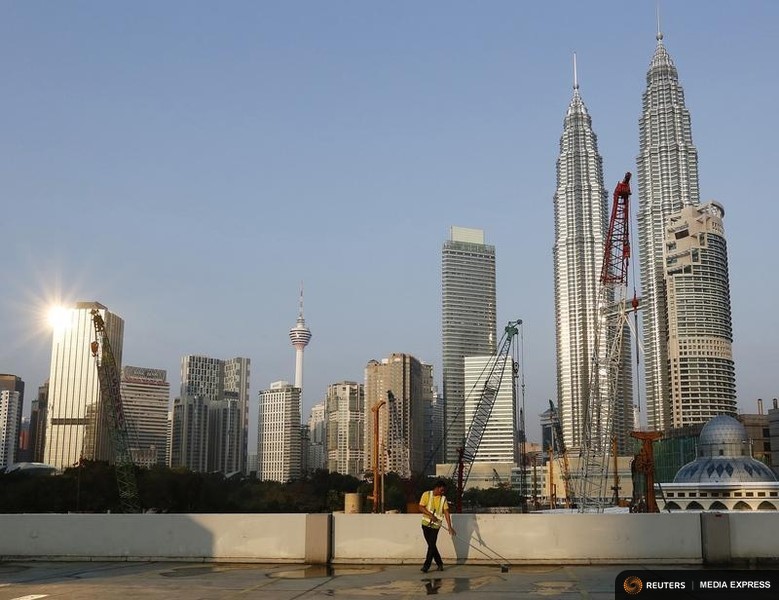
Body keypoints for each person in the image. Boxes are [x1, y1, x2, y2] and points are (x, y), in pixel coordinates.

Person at [418, 480, 456, 573]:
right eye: (441, 490)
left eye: (444, 490)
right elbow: (420, 507)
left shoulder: (443, 499)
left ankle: (426, 566)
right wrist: (430, 515)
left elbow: (446, 512)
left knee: (431, 545)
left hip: (436, 526)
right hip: (426, 524)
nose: (443, 492)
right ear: (437, 488)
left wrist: (449, 527)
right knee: (432, 546)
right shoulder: (426, 495)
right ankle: (440, 564)